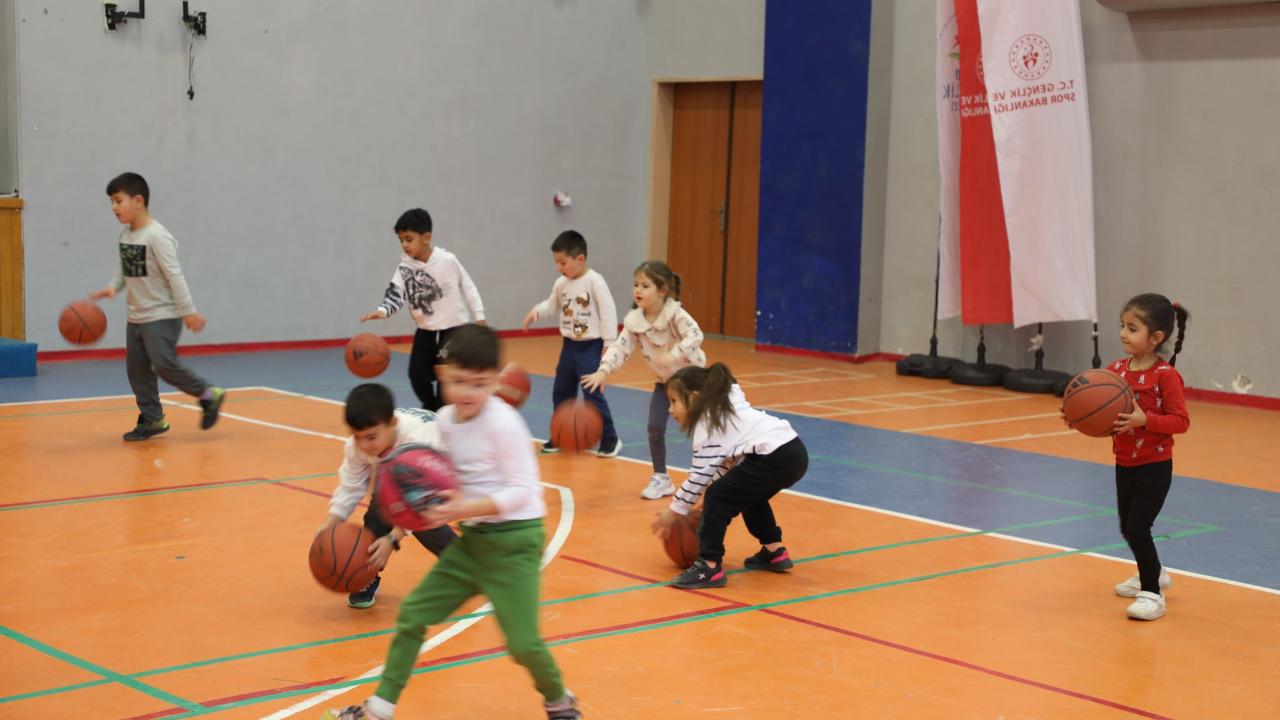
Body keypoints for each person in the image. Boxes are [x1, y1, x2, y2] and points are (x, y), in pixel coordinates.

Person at [325, 324, 580, 720]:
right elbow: (442, 477)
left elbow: (523, 492)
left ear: (495, 382)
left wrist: (461, 508)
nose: (466, 393)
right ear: (442, 376)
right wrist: (409, 510)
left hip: (515, 541)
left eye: (479, 384)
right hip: (473, 544)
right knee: (412, 616)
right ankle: (378, 709)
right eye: (458, 382)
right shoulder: (444, 421)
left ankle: (559, 700)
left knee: (523, 644)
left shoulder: (504, 424)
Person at [1067, 293, 1190, 621]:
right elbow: (1104, 416)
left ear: (1156, 339)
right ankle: (1155, 571)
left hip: (1155, 465)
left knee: (1138, 526)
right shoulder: (1115, 371)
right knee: (1128, 526)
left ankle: (1152, 592)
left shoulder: (1165, 376)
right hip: (1124, 463)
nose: (1123, 333)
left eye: (1132, 328)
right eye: (1122, 326)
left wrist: (1144, 420)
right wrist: (1079, 417)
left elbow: (1181, 421)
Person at [89, 172, 224, 441]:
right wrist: (113, 287)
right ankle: (153, 419)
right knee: (136, 371)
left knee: (163, 365)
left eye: (118, 201)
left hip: (164, 315)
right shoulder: (126, 235)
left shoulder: (157, 236)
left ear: (138, 200)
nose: (114, 208)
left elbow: (175, 276)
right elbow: (124, 266)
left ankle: (209, 394)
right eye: (111, 203)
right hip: (136, 316)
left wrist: (189, 312)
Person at [651, 363, 808, 589]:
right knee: (749, 497)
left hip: (774, 455)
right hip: (792, 451)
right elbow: (725, 466)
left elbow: (699, 477)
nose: (669, 409)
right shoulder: (725, 408)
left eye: (674, 401)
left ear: (694, 398)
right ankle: (774, 553)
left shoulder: (710, 425)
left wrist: (674, 510)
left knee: (717, 495)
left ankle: (709, 566)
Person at [318, 383, 457, 609]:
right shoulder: (357, 446)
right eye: (357, 437)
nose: (364, 445)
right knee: (379, 509)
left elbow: (425, 503)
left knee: (421, 516)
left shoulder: (420, 441)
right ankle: (366, 574)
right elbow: (350, 487)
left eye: (371, 437)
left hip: (454, 473)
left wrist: (392, 540)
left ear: (392, 424)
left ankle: (461, 562)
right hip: (407, 476)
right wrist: (331, 523)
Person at [582, 260, 705, 498]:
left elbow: (695, 334)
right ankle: (661, 478)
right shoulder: (635, 321)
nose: (638, 290)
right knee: (654, 427)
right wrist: (603, 370)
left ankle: (708, 473)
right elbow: (621, 347)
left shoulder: (675, 315)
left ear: (662, 290)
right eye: (636, 284)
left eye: (645, 285)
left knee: (704, 429)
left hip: (693, 381)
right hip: (665, 383)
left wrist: (675, 353)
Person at [361, 208, 485, 411]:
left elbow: (469, 287)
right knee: (416, 374)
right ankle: (429, 407)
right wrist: (382, 310)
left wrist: (480, 318)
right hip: (426, 331)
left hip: (454, 331)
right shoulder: (405, 268)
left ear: (426, 237)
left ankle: (441, 412)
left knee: (447, 379)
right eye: (401, 240)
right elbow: (395, 293)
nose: (404, 245)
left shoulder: (447, 260)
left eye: (409, 239)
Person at [522, 229, 621, 457]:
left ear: (580, 258)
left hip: (591, 346)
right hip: (569, 346)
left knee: (592, 393)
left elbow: (608, 313)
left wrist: (608, 345)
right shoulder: (561, 283)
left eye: (563, 262)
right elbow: (551, 305)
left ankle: (610, 438)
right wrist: (537, 312)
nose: (559, 267)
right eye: (556, 262)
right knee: (561, 391)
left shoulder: (595, 281)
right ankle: (560, 434)